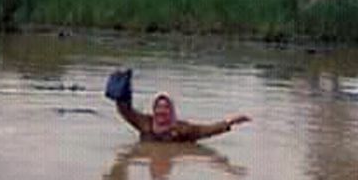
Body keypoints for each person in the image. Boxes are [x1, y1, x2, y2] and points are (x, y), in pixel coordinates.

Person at [106, 69, 250, 142]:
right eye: (158, 107)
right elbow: (126, 112)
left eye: (165, 107)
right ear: (153, 110)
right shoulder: (145, 124)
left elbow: (206, 131)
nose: (161, 111)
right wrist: (122, 95)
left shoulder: (182, 130)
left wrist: (229, 122)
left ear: (172, 111)